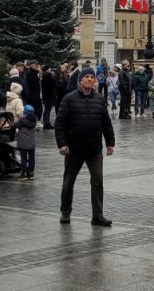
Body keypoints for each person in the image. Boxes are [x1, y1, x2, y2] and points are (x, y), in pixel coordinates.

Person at [55, 66, 115, 226]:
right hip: (74, 148)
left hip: (94, 149)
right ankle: (65, 212)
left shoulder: (99, 99)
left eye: (92, 77)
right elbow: (60, 123)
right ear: (80, 80)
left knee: (98, 181)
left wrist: (110, 142)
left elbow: (106, 122)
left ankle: (98, 215)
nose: (90, 79)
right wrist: (62, 144)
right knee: (68, 182)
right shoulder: (69, 99)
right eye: (86, 77)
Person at [16, 103, 38, 180]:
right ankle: (31, 172)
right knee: (32, 157)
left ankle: (24, 173)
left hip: (23, 142)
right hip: (32, 142)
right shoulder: (35, 119)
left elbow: (15, 125)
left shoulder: (22, 121)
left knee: (24, 158)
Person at [41, 65, 57, 130]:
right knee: (47, 109)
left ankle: (47, 123)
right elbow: (51, 85)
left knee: (48, 109)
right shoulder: (47, 76)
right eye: (49, 68)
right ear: (46, 70)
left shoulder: (47, 76)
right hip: (48, 96)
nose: (50, 69)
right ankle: (46, 123)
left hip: (48, 96)